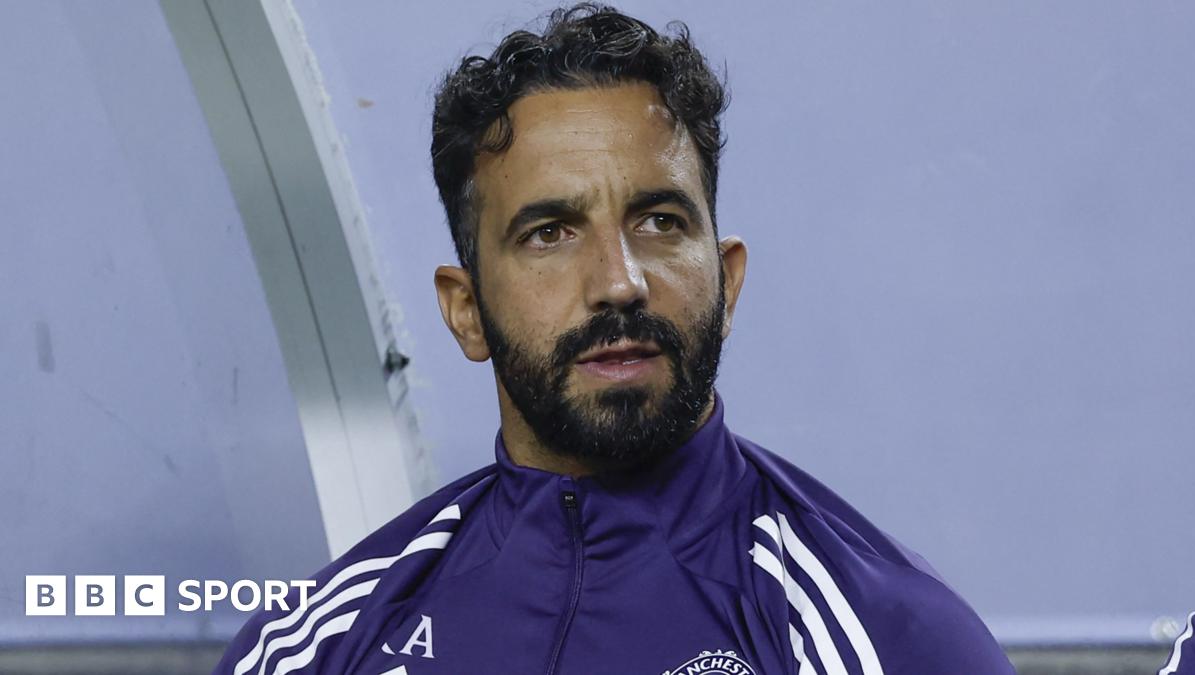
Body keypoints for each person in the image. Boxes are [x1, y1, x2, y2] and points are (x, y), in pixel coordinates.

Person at [215, 4, 1015, 673]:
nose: (620, 280)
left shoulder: (886, 636)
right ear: (465, 311)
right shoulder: (317, 647)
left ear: (726, 281)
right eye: (550, 232)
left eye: (660, 222)